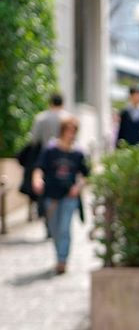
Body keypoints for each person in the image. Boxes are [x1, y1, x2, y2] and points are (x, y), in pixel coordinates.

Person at [32, 114, 90, 275]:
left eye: (73, 131)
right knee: (54, 229)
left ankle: (62, 260)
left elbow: (86, 174)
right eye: (68, 130)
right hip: (51, 195)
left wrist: (77, 187)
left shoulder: (78, 153)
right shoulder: (51, 150)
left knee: (65, 228)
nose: (70, 134)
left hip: (68, 196)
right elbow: (39, 167)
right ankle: (59, 255)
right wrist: (37, 180)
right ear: (62, 131)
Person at [30, 92, 67, 233]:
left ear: (50, 103)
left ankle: (49, 224)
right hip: (65, 160)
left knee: (47, 192)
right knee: (63, 190)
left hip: (47, 159)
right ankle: (61, 223)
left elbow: (34, 140)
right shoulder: (68, 118)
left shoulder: (41, 118)